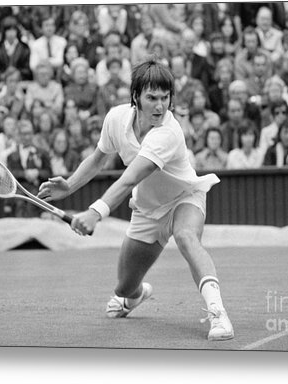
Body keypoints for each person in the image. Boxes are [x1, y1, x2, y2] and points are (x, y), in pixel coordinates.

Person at [37, 59, 234, 341]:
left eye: (165, 98)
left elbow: (129, 179)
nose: (159, 106)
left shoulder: (168, 132)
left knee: (186, 236)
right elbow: (97, 160)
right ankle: (137, 295)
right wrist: (69, 186)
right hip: (147, 209)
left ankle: (218, 314)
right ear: (136, 97)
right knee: (125, 287)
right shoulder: (116, 119)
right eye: (151, 98)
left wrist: (95, 212)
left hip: (184, 198)